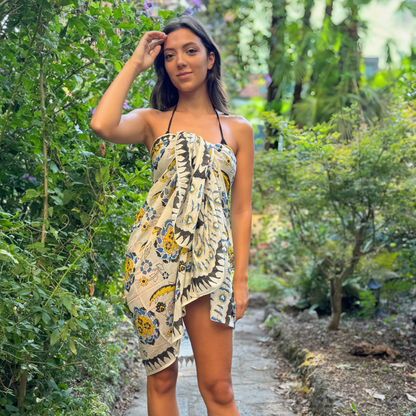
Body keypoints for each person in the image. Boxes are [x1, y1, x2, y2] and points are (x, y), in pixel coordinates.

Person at [90, 14, 253, 416]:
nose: (180, 61)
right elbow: (102, 124)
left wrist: (241, 279)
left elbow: (241, 208)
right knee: (162, 379)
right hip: (152, 261)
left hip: (211, 265)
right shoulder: (152, 121)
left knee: (219, 388)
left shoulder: (238, 130)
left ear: (210, 59)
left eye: (190, 51)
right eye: (170, 55)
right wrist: (136, 63)